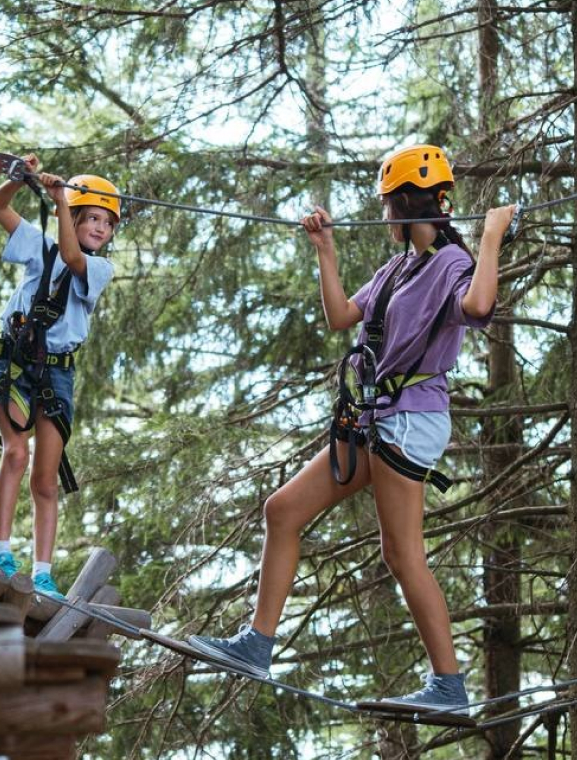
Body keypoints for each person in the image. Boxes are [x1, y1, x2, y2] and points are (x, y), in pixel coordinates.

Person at [189, 145, 516, 714]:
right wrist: (325, 249)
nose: (385, 215)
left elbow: (481, 305)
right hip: (375, 416)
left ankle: (450, 687)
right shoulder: (396, 269)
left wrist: (491, 237)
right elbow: (343, 315)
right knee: (283, 511)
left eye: (390, 206)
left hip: (411, 416)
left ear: (411, 205)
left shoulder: (451, 263)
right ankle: (256, 646)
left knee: (402, 553)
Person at [0, 155, 118, 599]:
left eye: (108, 223)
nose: (100, 228)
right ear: (75, 215)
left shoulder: (98, 268)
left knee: (45, 478)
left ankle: (43, 571)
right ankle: (0, 552)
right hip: (15, 364)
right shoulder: (36, 246)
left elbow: (71, 256)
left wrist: (61, 201)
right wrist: (17, 178)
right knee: (16, 452)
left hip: (57, 375)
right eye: (92, 217)